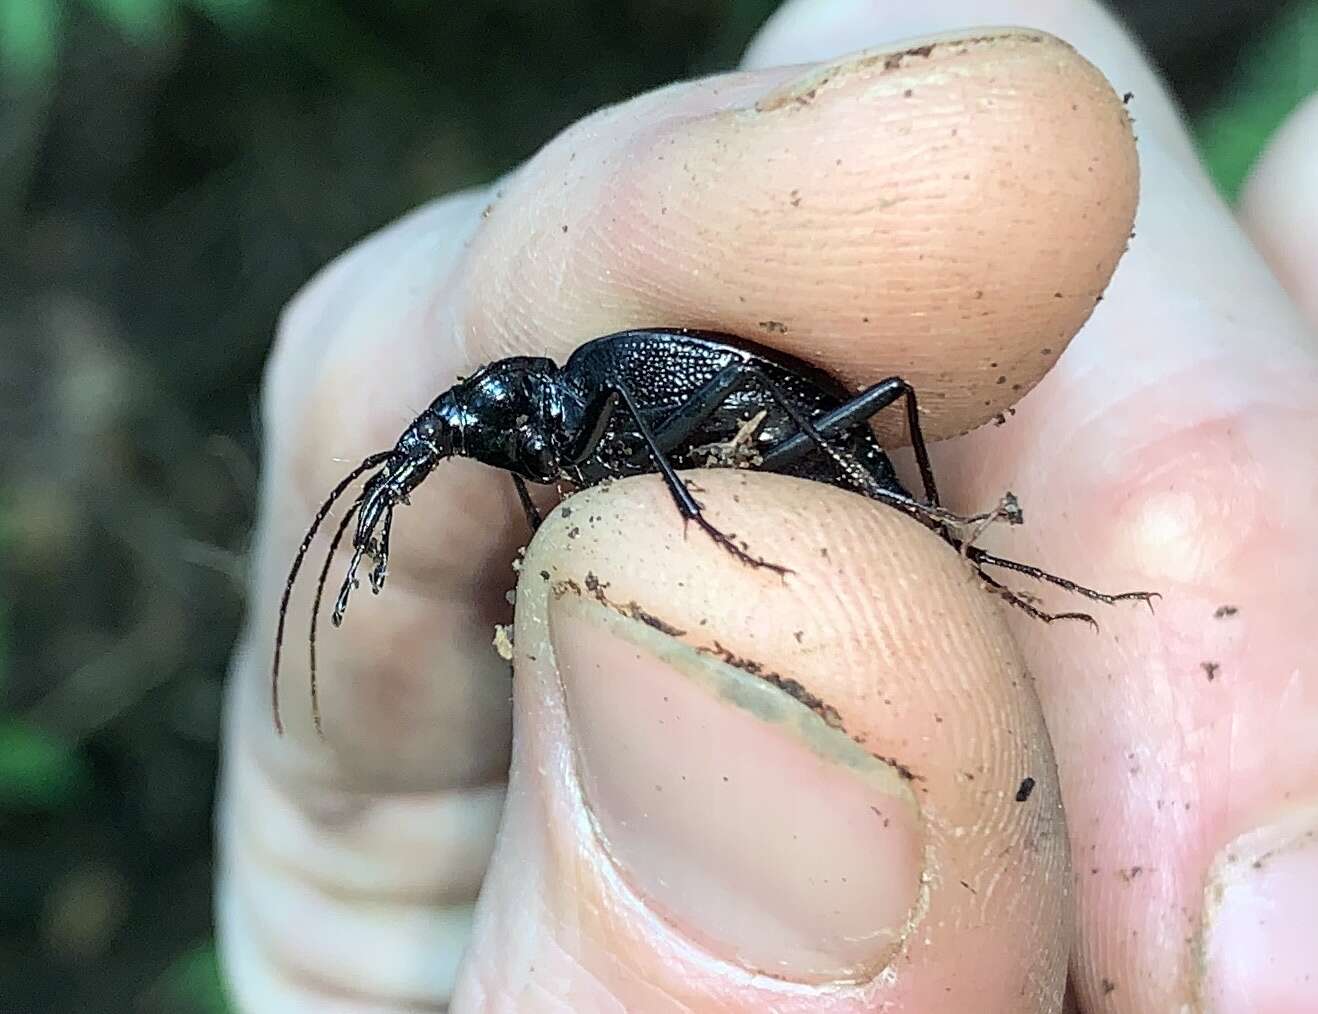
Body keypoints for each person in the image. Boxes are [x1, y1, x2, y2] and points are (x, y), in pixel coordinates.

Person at [216, 1, 1318, 1010]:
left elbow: (693, 404)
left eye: (453, 436)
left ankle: (944, 540)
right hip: (772, 468)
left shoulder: (586, 388)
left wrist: (699, 522)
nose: (453, 449)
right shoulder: (550, 416)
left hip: (780, 431)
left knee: (891, 403)